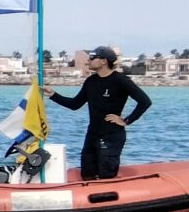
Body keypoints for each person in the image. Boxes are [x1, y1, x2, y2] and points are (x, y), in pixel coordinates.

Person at [48, 46, 151, 180]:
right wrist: (53, 95)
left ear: (104, 61)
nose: (88, 61)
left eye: (92, 58)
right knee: (87, 175)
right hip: (92, 135)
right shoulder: (91, 81)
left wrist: (126, 120)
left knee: (105, 175)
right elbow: (75, 104)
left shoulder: (120, 80)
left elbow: (145, 101)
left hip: (111, 136)